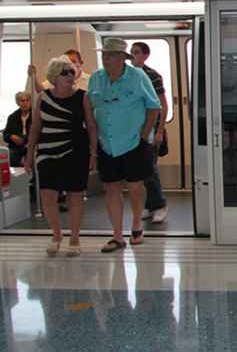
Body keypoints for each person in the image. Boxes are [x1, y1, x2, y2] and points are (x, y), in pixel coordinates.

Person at [88, 38, 161, 253]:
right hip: (107, 142)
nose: (105, 58)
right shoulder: (96, 79)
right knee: (111, 188)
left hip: (134, 142)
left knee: (136, 187)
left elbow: (154, 107)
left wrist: (144, 134)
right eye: (104, 55)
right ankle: (117, 236)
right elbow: (90, 109)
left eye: (110, 55)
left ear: (122, 58)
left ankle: (137, 226)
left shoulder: (137, 77)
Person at [24, 56, 97, 257]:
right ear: (55, 76)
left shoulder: (83, 96)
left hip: (76, 150)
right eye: (65, 72)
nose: (70, 75)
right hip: (47, 150)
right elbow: (36, 128)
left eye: (72, 71)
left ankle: (74, 237)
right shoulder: (44, 97)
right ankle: (56, 235)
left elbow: (91, 126)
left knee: (75, 195)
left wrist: (94, 153)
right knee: (47, 195)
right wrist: (29, 154)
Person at [129, 42, 169, 224]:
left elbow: (163, 104)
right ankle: (148, 204)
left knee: (150, 169)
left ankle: (159, 205)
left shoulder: (153, 76)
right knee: (139, 170)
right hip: (133, 129)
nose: (132, 56)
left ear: (145, 56)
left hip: (151, 128)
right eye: (131, 53)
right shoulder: (127, 76)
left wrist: (160, 130)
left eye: (136, 53)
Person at [3, 92, 32, 167]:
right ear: (18, 103)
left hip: (32, 146)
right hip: (16, 147)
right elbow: (5, 135)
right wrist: (11, 136)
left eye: (27, 100)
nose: (25, 103)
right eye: (22, 101)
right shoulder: (12, 117)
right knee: (11, 158)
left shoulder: (35, 115)